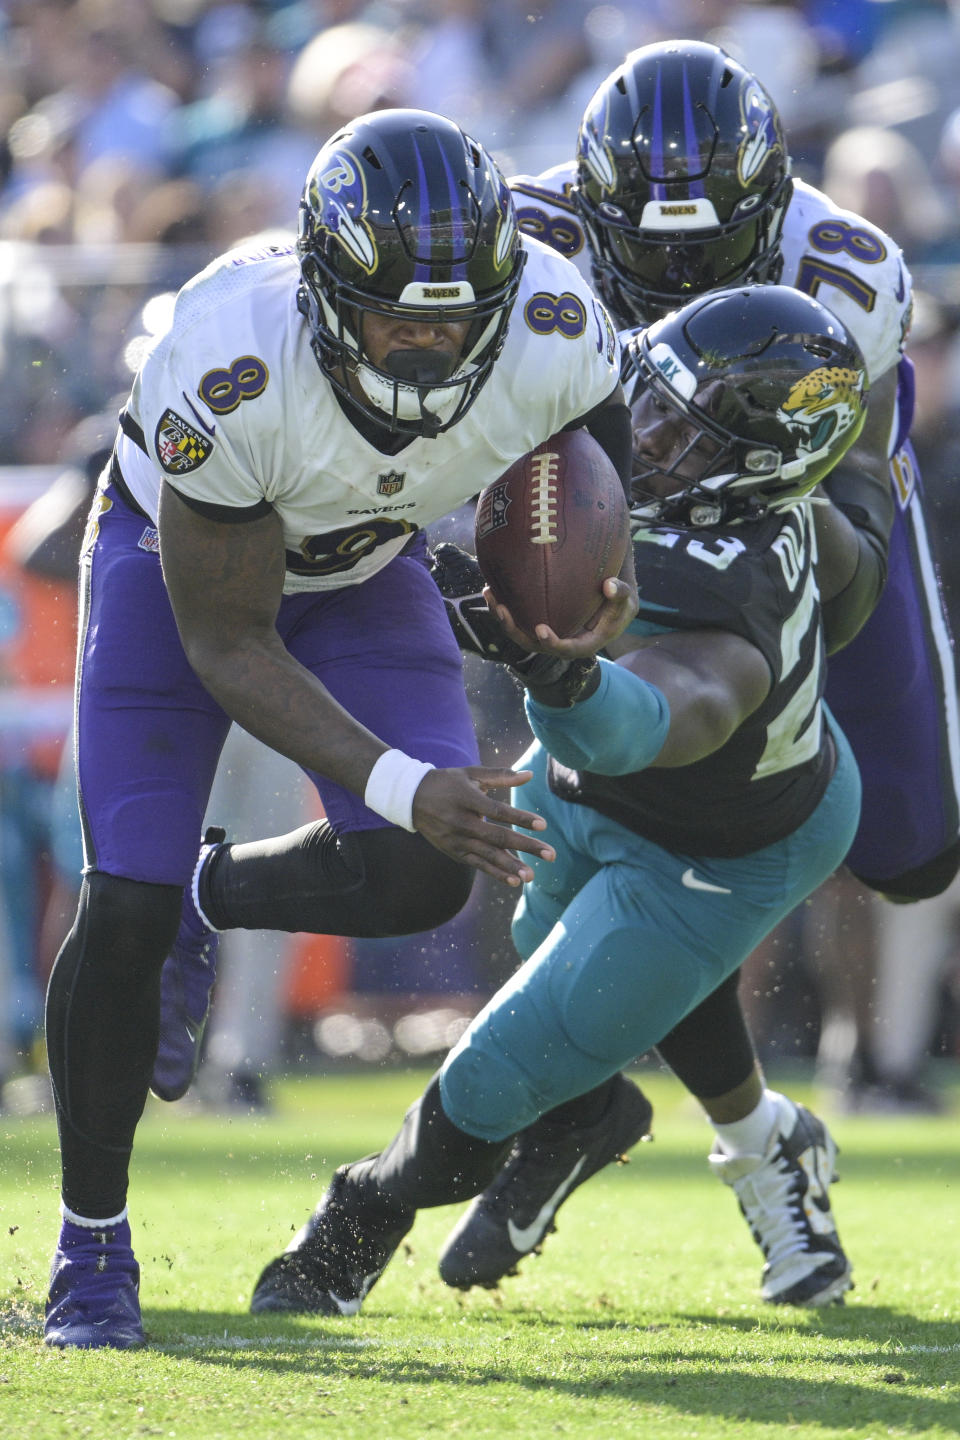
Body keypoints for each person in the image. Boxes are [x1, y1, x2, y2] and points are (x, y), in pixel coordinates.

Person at [42, 106, 638, 1350]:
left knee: (425, 872)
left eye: (448, 320)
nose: (425, 346)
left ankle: (215, 900)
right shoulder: (230, 362)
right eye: (396, 318)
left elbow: (590, 499)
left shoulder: (557, 328)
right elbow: (227, 644)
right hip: (181, 578)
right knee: (124, 901)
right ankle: (90, 1241)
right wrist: (405, 776)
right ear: (323, 292)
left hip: (367, 569)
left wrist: (564, 594)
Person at [427, 37, 957, 1292]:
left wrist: (744, 579)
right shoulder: (528, 237)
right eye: (648, 250)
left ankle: (617, 1109)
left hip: (803, 520)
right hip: (608, 501)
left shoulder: (847, 274)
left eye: (704, 255)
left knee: (914, 848)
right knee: (633, 835)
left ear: (771, 212)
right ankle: (747, 1141)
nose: (670, 278)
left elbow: (859, 548)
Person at [247, 282, 869, 1320]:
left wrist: (564, 675)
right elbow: (852, 584)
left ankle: (358, 1219)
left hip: (715, 849)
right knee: (589, 992)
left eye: (688, 427)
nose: (649, 430)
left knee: (500, 1070)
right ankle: (723, 1137)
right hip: (586, 791)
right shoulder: (761, 500)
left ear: (761, 469)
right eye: (656, 398)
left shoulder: (736, 581)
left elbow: (662, 722)